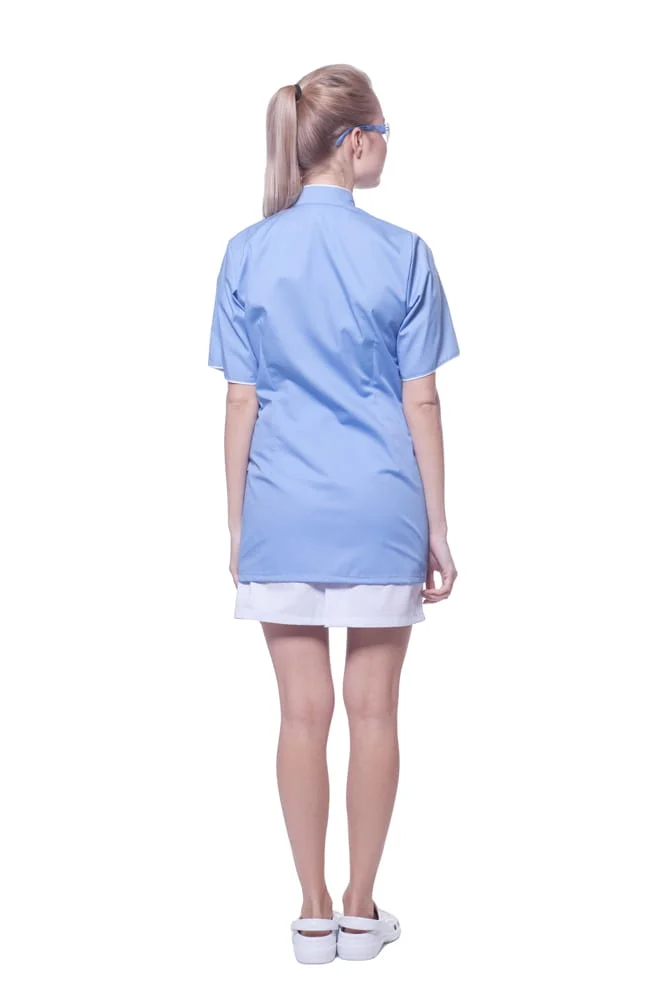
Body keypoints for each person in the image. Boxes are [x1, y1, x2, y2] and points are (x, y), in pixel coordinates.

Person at [207, 63, 460, 964]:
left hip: (282, 507)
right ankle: (360, 908)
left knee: (300, 716)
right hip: (380, 510)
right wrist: (437, 527)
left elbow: (240, 401)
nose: (386, 148)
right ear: (354, 143)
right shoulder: (404, 252)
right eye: (382, 134)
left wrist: (238, 526)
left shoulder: (246, 251)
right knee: (375, 713)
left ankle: (311, 911)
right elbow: (420, 399)